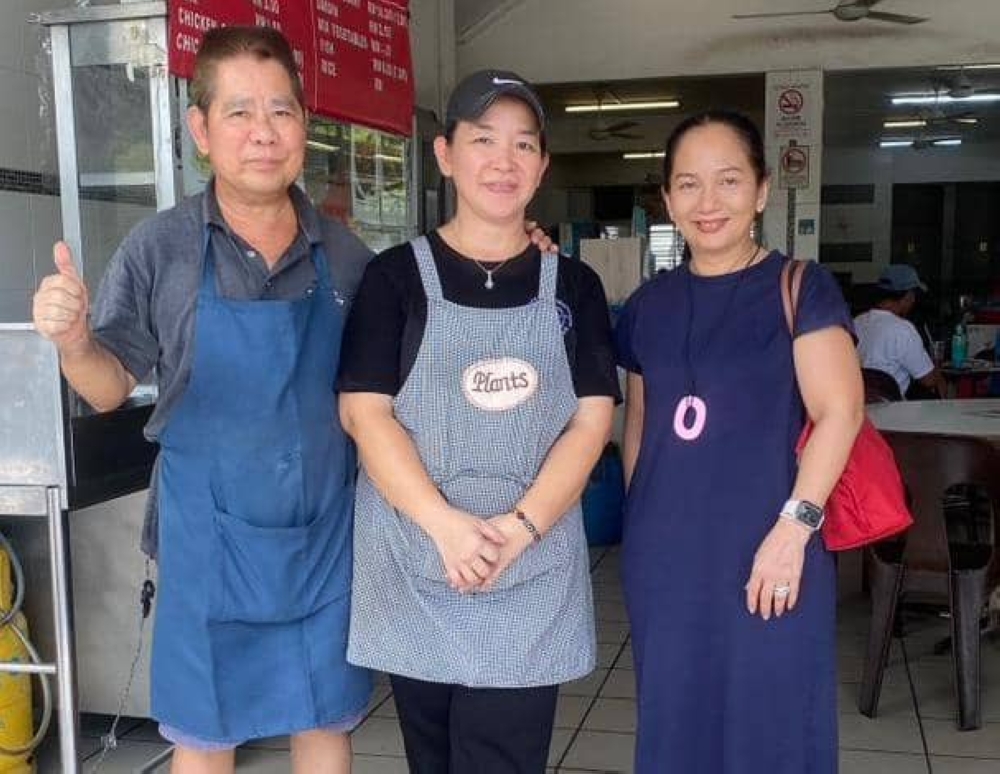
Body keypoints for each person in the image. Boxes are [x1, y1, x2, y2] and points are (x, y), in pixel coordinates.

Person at [31, 26, 374, 774]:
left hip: (324, 541)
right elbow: (111, 381)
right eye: (240, 113)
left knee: (325, 720)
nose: (263, 134)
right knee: (204, 736)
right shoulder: (161, 249)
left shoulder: (347, 256)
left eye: (280, 112)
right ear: (201, 130)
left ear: (304, 126)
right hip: (207, 547)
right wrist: (72, 341)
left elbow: (389, 386)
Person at [338, 70, 619, 774]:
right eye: (483, 140)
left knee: (504, 759)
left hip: (530, 566)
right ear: (445, 154)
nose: (504, 161)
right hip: (417, 560)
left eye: (524, 144)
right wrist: (446, 527)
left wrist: (516, 532)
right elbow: (364, 414)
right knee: (429, 760)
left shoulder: (575, 287)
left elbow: (591, 423)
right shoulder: (395, 277)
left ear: (543, 165)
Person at [614, 110, 863, 773]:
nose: (708, 202)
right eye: (688, 184)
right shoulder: (649, 305)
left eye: (728, 180)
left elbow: (841, 411)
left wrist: (794, 528)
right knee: (676, 723)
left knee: (772, 725)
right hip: (668, 562)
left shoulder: (801, 288)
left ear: (759, 192)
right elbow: (640, 422)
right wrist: (645, 527)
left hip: (774, 550)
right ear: (667, 200)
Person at [854, 264, 947, 398]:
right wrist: (936, 366)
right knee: (939, 383)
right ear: (909, 296)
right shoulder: (903, 329)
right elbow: (929, 380)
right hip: (892, 411)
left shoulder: (857, 322)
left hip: (858, 407)